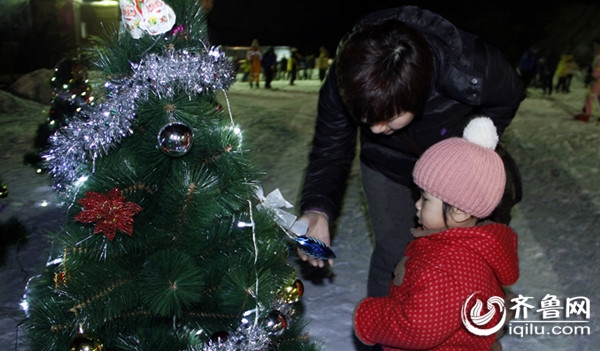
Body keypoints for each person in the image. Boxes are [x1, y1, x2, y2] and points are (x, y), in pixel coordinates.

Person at [297, 6, 525, 298]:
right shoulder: (347, 75)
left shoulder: (471, 67)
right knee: (394, 253)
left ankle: (469, 329)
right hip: (386, 165)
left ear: (417, 96)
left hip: (452, 173)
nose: (376, 130)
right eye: (367, 119)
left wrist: (473, 148)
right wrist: (318, 207)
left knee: (466, 259)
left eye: (389, 118)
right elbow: (330, 147)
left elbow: (509, 95)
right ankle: (384, 338)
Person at [353, 117, 520, 351]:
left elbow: (419, 328)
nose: (417, 205)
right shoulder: (470, 246)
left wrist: (369, 317)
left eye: (426, 199)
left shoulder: (446, 266)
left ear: (459, 211)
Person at [574, 40, 600, 122]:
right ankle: (586, 113)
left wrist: (592, 76)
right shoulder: (597, 56)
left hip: (598, 80)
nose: (596, 47)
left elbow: (599, 69)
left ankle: (586, 115)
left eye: (597, 46)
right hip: (597, 79)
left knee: (590, 96)